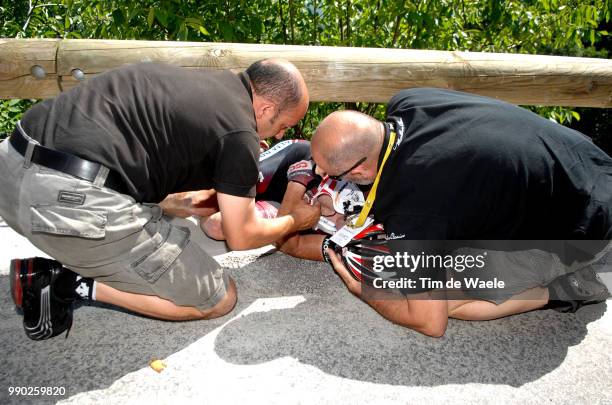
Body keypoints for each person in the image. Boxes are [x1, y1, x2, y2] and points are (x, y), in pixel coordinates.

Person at [1, 59, 321, 340]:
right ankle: (65, 283)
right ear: (265, 108)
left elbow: (141, 156)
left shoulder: (177, 79)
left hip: (11, 168)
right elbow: (240, 235)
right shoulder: (239, 134)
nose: (279, 135)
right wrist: (297, 220)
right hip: (62, 206)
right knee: (217, 297)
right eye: (283, 125)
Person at [281, 88, 611, 337]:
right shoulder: (408, 102)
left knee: (432, 295)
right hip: (591, 166)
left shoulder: (415, 207)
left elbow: (429, 322)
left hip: (586, 227)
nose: (327, 182)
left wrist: (361, 289)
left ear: (360, 170)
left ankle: (564, 289)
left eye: (332, 176)